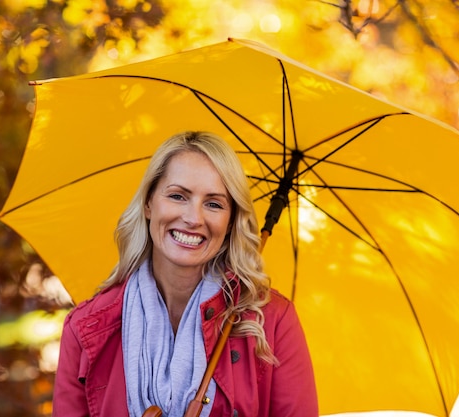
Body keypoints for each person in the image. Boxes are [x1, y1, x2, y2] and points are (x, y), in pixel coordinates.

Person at [52, 131, 318, 417]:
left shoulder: (273, 322)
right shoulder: (86, 329)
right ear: (149, 204)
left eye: (214, 204)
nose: (193, 218)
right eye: (178, 196)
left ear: (230, 222)